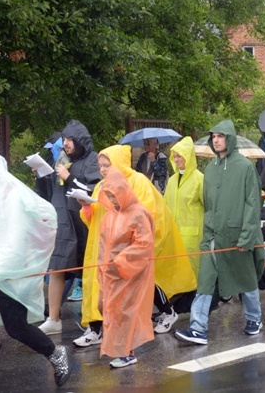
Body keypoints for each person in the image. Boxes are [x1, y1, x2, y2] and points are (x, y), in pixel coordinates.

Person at [75, 145, 196, 347]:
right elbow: (93, 219)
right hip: (103, 247)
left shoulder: (138, 182)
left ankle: (160, 316)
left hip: (127, 246)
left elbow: (149, 213)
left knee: (139, 284)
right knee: (98, 287)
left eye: (107, 165)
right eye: (101, 166)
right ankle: (96, 329)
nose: (103, 170)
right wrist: (86, 207)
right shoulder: (101, 186)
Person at [174, 120, 265, 344]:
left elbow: (253, 204)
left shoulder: (245, 167)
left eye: (220, 136)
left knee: (246, 280)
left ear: (230, 138)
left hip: (237, 237)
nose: (215, 140)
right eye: (213, 136)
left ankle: (255, 318)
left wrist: (247, 237)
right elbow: (209, 206)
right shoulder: (211, 170)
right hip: (213, 238)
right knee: (204, 283)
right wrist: (207, 236)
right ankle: (198, 328)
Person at [0, 154, 70, 386]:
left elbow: (46, 213)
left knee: (16, 327)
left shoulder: (16, 196)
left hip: (11, 274)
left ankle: (54, 353)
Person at [39, 120, 101, 336]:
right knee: (56, 268)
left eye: (69, 140)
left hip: (85, 226)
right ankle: (53, 319)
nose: (65, 144)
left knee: (91, 275)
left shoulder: (93, 160)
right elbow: (54, 192)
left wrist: (70, 177)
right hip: (63, 225)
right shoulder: (63, 160)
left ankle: (96, 322)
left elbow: (96, 190)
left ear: (80, 141)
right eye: (63, 140)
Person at [97, 169, 155, 368]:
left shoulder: (138, 213)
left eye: (115, 195)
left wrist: (122, 261)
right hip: (111, 273)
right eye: (109, 196)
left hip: (131, 274)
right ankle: (120, 348)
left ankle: (127, 352)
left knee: (125, 311)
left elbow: (144, 244)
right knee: (111, 310)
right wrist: (101, 269)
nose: (112, 200)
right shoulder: (109, 215)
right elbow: (103, 245)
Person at [164, 137, 204, 278]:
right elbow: (165, 205)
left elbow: (209, 206)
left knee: (191, 272)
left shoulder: (199, 179)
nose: (177, 159)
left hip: (192, 237)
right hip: (173, 235)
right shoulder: (172, 181)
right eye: (174, 156)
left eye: (180, 155)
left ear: (188, 155)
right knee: (176, 273)